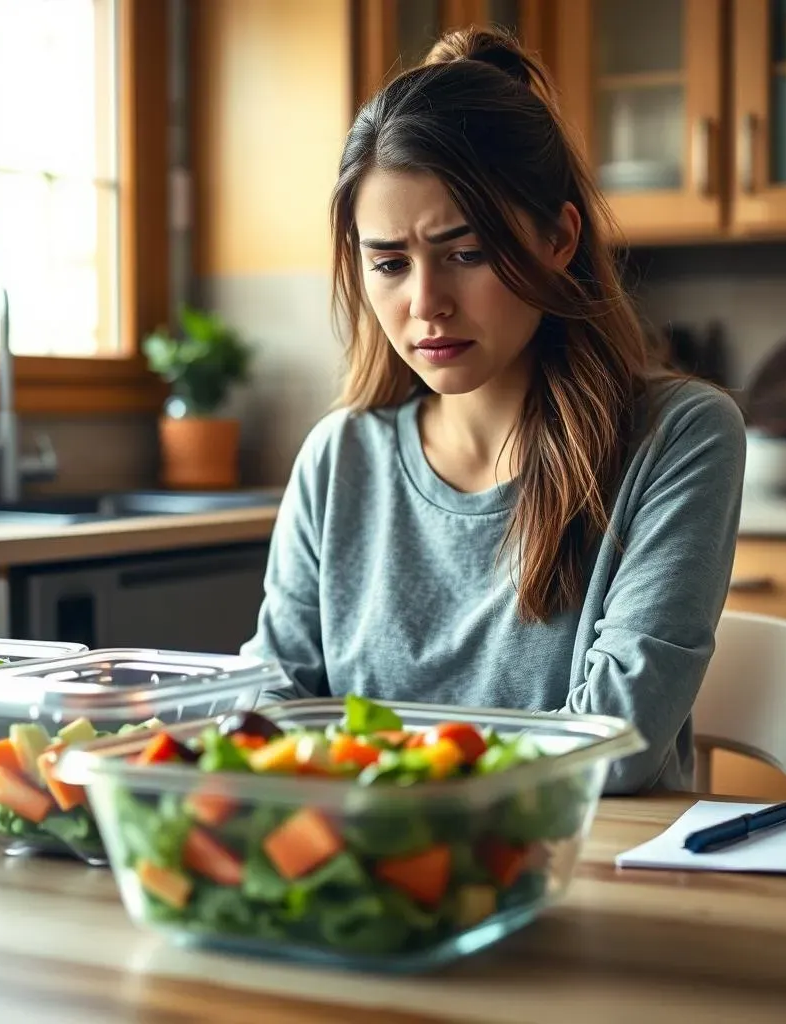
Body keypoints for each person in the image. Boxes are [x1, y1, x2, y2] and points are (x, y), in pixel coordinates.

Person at [239, 27, 745, 794]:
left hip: (596, 876)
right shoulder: (338, 458)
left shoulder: (679, 437)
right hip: (374, 877)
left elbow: (618, 742)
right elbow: (269, 704)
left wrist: (366, 769)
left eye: (465, 252)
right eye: (388, 263)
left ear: (559, 239)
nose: (425, 303)